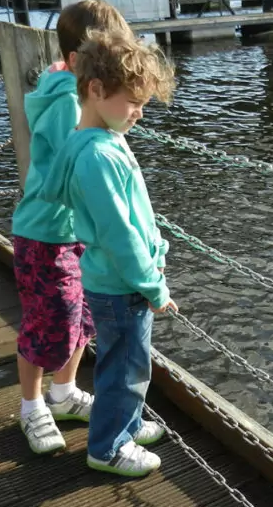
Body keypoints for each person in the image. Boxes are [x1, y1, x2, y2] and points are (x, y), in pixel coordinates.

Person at [41, 29, 177, 477]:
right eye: (133, 102)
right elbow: (119, 234)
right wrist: (153, 286)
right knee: (124, 372)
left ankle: (128, 425)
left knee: (129, 365)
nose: (139, 113)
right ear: (97, 91)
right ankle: (108, 448)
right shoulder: (98, 155)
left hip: (116, 282)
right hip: (122, 287)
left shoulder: (99, 138)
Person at [10, 0, 130, 455]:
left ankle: (63, 393)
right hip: (47, 233)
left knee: (81, 318)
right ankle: (32, 404)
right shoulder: (66, 101)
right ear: (79, 62)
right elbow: (73, 170)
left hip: (73, 232)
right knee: (48, 321)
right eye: (108, 56)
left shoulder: (82, 93)